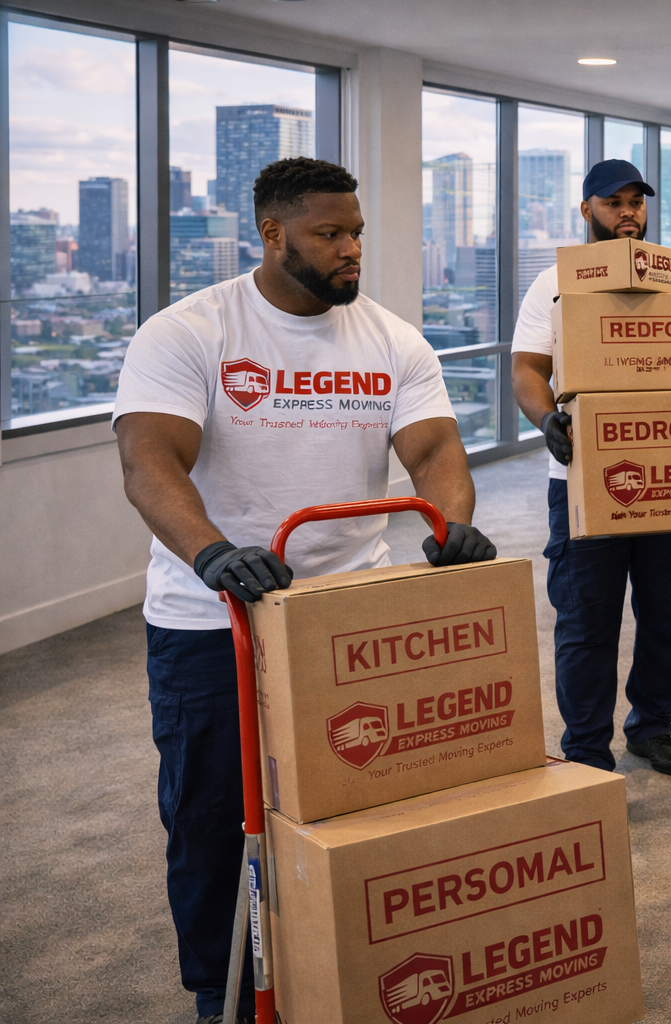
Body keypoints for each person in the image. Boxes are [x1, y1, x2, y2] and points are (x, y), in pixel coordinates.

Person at [114, 157, 495, 1024]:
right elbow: (149, 462)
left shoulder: (393, 339)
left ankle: (340, 967)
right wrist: (212, 555)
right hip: (214, 622)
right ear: (274, 234)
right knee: (212, 815)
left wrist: (450, 525)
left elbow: (435, 453)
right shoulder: (190, 332)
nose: (351, 249)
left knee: (350, 802)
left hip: (341, 617)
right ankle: (220, 991)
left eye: (357, 231)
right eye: (331, 234)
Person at [510, 158, 671, 775]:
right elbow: (526, 370)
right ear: (587, 210)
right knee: (586, 625)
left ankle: (651, 727)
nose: (628, 212)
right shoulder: (555, 284)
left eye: (636, 201)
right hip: (584, 478)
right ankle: (587, 752)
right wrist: (547, 422)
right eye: (613, 202)